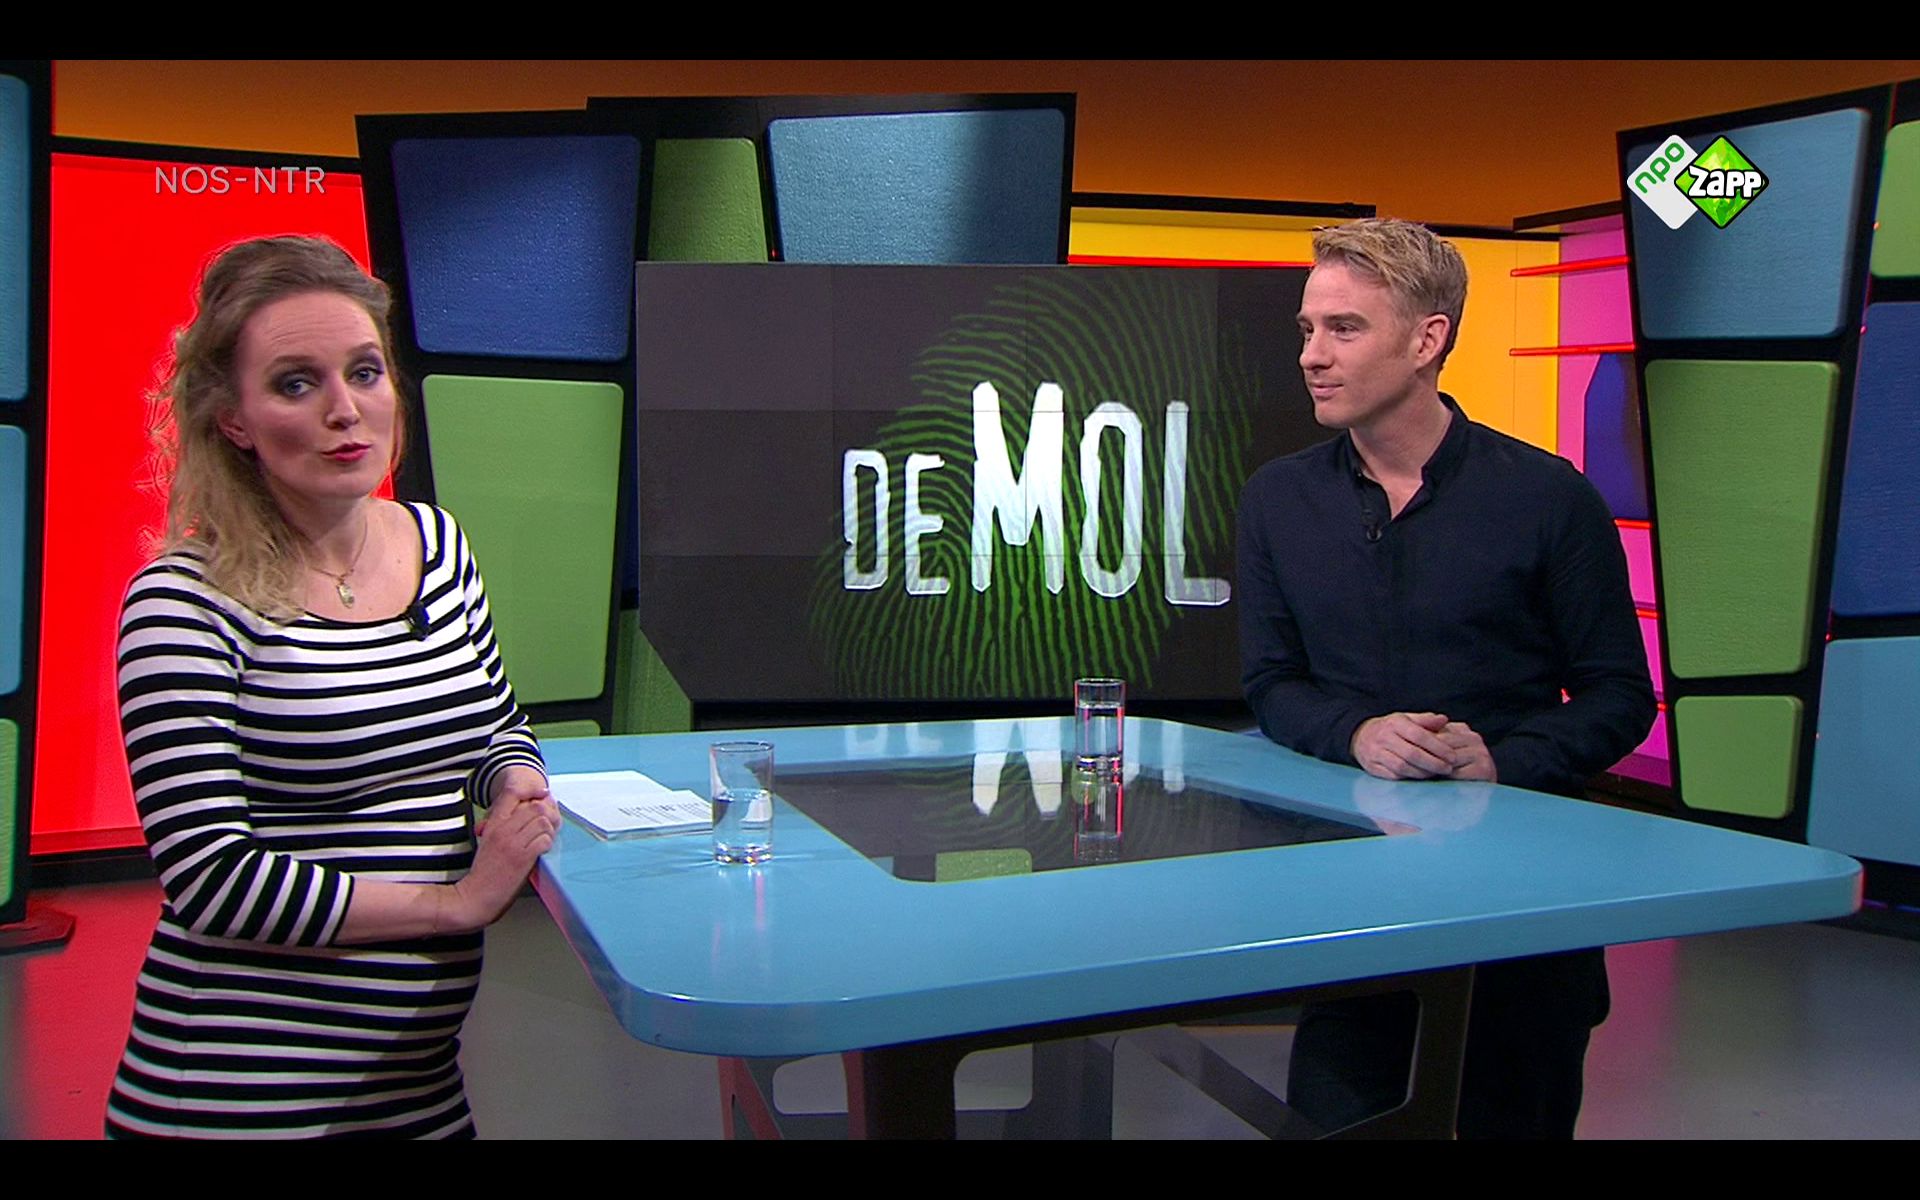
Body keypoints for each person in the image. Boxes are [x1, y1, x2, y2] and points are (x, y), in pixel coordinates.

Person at [105, 236, 560, 1139]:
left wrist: (517, 780)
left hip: (420, 1085)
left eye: (364, 372)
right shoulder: (182, 601)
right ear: (235, 419)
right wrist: (458, 902)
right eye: (295, 384)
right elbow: (211, 877)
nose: (345, 411)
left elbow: (493, 726)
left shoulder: (438, 545)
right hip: (240, 1096)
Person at [1237, 218, 1657, 1139]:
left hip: (1523, 903)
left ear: (1428, 339)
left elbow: (1619, 694)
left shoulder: (1548, 497)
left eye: (1344, 329)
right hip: (1353, 896)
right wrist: (1357, 733)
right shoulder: (1279, 498)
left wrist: (1502, 760)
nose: (1312, 355)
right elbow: (1271, 681)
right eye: (1308, 329)